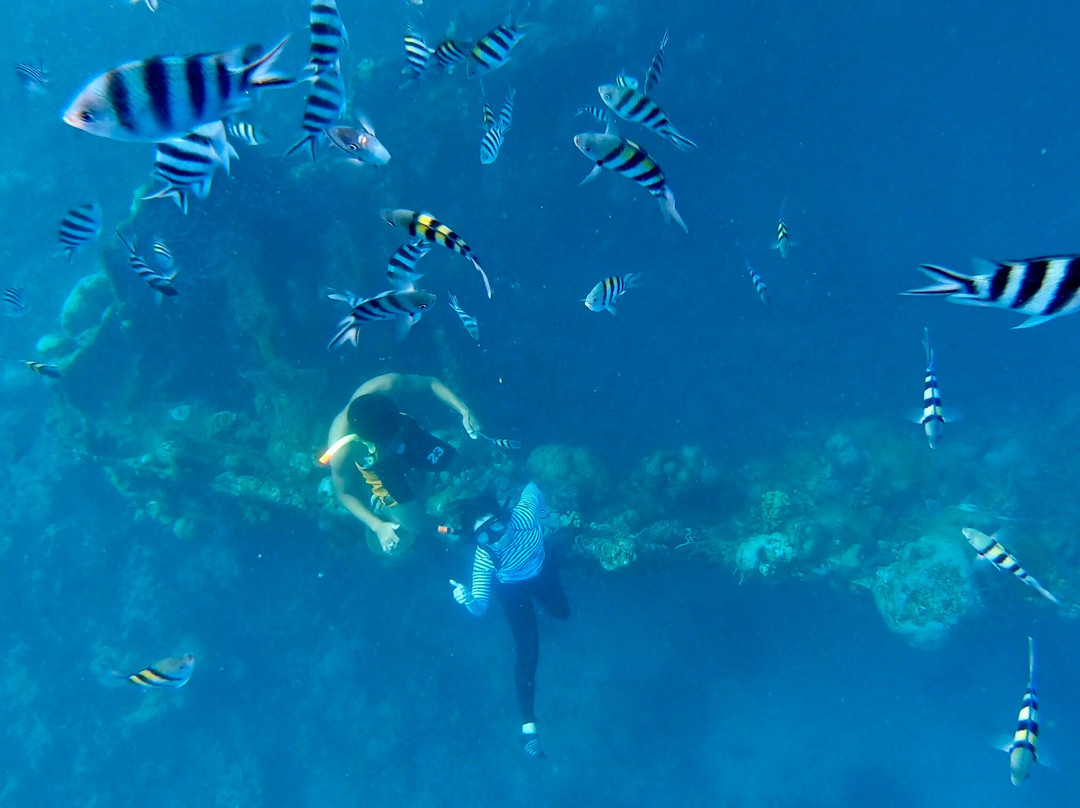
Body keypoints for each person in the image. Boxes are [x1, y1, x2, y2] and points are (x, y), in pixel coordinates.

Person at [450, 483, 570, 760]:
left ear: (504, 518)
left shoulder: (524, 516)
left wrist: (549, 516)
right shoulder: (485, 556)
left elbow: (531, 488)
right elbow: (480, 608)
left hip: (540, 569)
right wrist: (467, 598)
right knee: (528, 652)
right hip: (512, 589)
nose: (495, 540)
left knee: (563, 614)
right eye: (484, 537)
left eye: (496, 528)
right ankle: (529, 729)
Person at [322, 373, 481, 554]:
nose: (395, 441)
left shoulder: (388, 384)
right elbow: (344, 493)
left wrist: (464, 410)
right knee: (418, 526)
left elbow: (430, 384)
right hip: (382, 471)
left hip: (411, 437)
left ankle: (421, 478)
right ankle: (443, 529)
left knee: (461, 464)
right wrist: (377, 525)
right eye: (390, 441)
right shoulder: (342, 451)